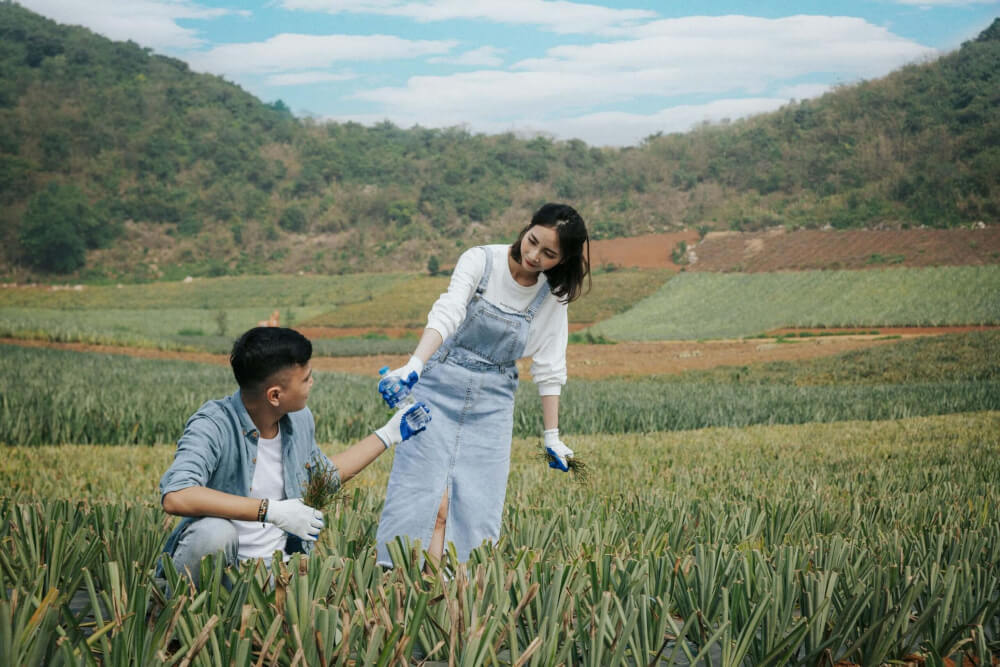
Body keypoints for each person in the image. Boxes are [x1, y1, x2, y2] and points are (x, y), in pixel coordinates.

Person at [375, 202, 590, 568]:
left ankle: (459, 593)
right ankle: (400, 582)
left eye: (549, 253)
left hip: (493, 402)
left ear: (562, 260)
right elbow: (449, 311)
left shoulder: (551, 298)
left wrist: (552, 435)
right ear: (527, 227)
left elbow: (550, 366)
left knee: (477, 504)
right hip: (438, 387)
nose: (534, 255)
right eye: (533, 241)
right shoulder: (481, 261)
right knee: (421, 496)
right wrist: (415, 364)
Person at [158, 326, 429, 586]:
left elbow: (323, 478)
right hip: (220, 574)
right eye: (306, 378)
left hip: (275, 571)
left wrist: (388, 434)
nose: (313, 382)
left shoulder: (299, 420)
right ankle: (173, 621)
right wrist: (270, 511)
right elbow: (177, 495)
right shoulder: (213, 424)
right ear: (275, 395)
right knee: (215, 534)